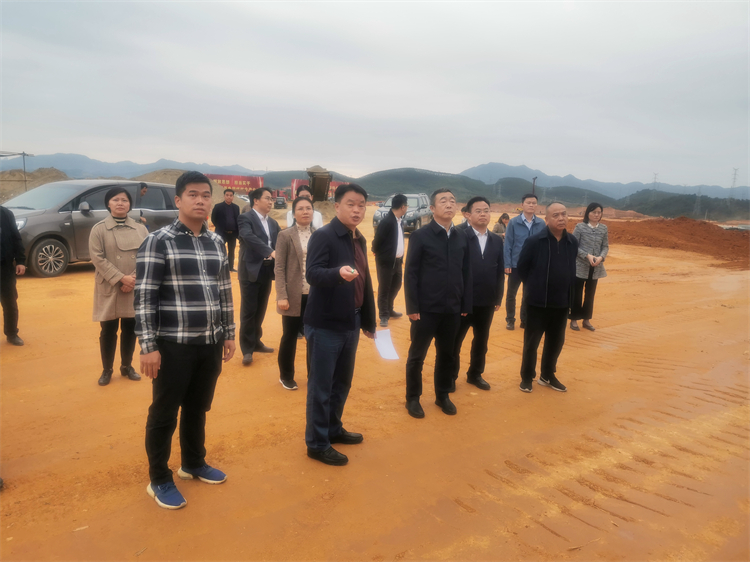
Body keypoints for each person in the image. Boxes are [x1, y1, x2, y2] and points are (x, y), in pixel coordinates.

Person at [135, 171, 235, 510]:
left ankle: (193, 462)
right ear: (178, 200)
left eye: (206, 195)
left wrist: (228, 333)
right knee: (164, 412)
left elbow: (224, 291)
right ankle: (159, 478)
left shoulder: (216, 242)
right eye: (193, 194)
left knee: (197, 407)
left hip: (209, 342)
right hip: (173, 343)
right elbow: (145, 296)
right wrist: (148, 346)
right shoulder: (158, 241)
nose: (200, 200)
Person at [303, 183, 376, 466]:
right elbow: (312, 274)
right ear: (336, 206)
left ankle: (333, 429)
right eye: (350, 204)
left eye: (361, 205)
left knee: (341, 383)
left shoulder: (359, 238)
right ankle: (317, 443)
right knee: (321, 387)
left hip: (351, 320)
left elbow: (364, 281)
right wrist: (337, 273)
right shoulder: (324, 236)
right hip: (325, 324)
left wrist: (367, 319)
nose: (357, 210)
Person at [404, 188, 472, 419]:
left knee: (447, 355)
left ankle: (442, 395)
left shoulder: (462, 236)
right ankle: (413, 398)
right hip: (425, 309)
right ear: (432, 208)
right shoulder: (420, 236)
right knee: (417, 356)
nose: (449, 204)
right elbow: (411, 273)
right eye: (443, 201)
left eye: (452, 200)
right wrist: (412, 307)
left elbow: (466, 273)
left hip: (452, 309)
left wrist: (465, 305)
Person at [89, 187, 149, 386]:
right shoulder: (99, 229)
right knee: (108, 329)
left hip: (133, 286)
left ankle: (126, 366)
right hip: (110, 285)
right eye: (116, 199)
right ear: (108, 204)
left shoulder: (140, 229)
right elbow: (97, 258)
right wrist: (121, 278)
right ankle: (107, 370)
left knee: (130, 329)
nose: (120, 203)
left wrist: (133, 279)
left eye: (124, 200)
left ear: (130, 204)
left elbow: (147, 256)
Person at [517, 202, 577, 394]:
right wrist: (535, 286)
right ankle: (527, 377)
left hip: (561, 303)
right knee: (531, 343)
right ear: (547, 219)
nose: (561, 218)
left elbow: (571, 269)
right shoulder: (535, 241)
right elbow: (522, 268)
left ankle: (547, 375)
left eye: (564, 214)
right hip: (537, 303)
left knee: (555, 342)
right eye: (556, 215)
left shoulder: (572, 242)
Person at [453, 196, 504, 391]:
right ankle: (450, 376)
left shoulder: (496, 240)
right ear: (468, 214)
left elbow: (500, 271)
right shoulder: (459, 236)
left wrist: (498, 297)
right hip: (463, 302)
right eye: (478, 211)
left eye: (486, 211)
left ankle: (475, 374)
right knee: (455, 342)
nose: (483, 214)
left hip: (486, 301)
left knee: (481, 342)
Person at [275, 197, 316, 390]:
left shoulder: (319, 234)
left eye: (308, 208)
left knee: (314, 337)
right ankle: (286, 375)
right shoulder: (285, 235)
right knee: (290, 336)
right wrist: (281, 295)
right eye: (300, 209)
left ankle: (313, 375)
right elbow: (279, 267)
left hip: (315, 295)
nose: (305, 212)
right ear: (293, 214)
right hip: (292, 295)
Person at [237, 187, 280, 366]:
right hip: (250, 270)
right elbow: (248, 237)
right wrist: (270, 251)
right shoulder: (245, 218)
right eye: (267, 198)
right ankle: (247, 349)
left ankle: (256, 342)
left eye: (272, 199)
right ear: (256, 200)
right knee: (249, 311)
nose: (271, 202)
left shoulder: (273, 223)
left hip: (266, 270)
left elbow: (281, 241)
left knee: (261, 308)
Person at [503, 194, 545, 330]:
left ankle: (525, 320)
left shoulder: (541, 223)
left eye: (534, 203)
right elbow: (508, 244)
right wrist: (507, 264)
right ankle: (510, 319)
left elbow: (543, 245)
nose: (531, 205)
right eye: (528, 202)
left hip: (532, 266)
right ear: (522, 205)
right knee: (511, 294)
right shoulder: (514, 222)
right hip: (515, 265)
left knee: (528, 294)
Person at [570, 203, 609, 332]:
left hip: (595, 267)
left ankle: (586, 320)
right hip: (580, 266)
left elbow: (605, 246)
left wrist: (601, 257)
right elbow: (573, 246)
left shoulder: (603, 228)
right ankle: (574, 319)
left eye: (599, 212)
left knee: (590, 295)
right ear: (588, 213)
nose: (597, 215)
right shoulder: (580, 227)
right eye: (594, 212)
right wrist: (587, 256)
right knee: (577, 294)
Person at [371, 193, 407, 327]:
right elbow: (377, 241)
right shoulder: (387, 222)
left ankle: (389, 309)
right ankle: (384, 315)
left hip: (397, 261)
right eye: (407, 206)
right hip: (386, 262)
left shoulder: (399, 221)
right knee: (384, 289)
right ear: (403, 207)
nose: (407, 208)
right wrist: (377, 252)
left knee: (396, 285)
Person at [0, 205, 26, 346]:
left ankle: (11, 334)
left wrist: (20, 261)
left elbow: (16, 238)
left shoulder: (5, 214)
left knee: (10, 303)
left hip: (4, 267)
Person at [211, 189, 241, 272]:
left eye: (231, 195)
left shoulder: (236, 207)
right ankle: (220, 267)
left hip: (233, 234)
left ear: (233, 197)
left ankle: (230, 267)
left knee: (231, 251)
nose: (229, 197)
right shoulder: (218, 206)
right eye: (227, 195)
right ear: (224, 196)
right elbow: (213, 218)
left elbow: (237, 220)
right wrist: (219, 227)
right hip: (222, 233)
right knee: (220, 250)